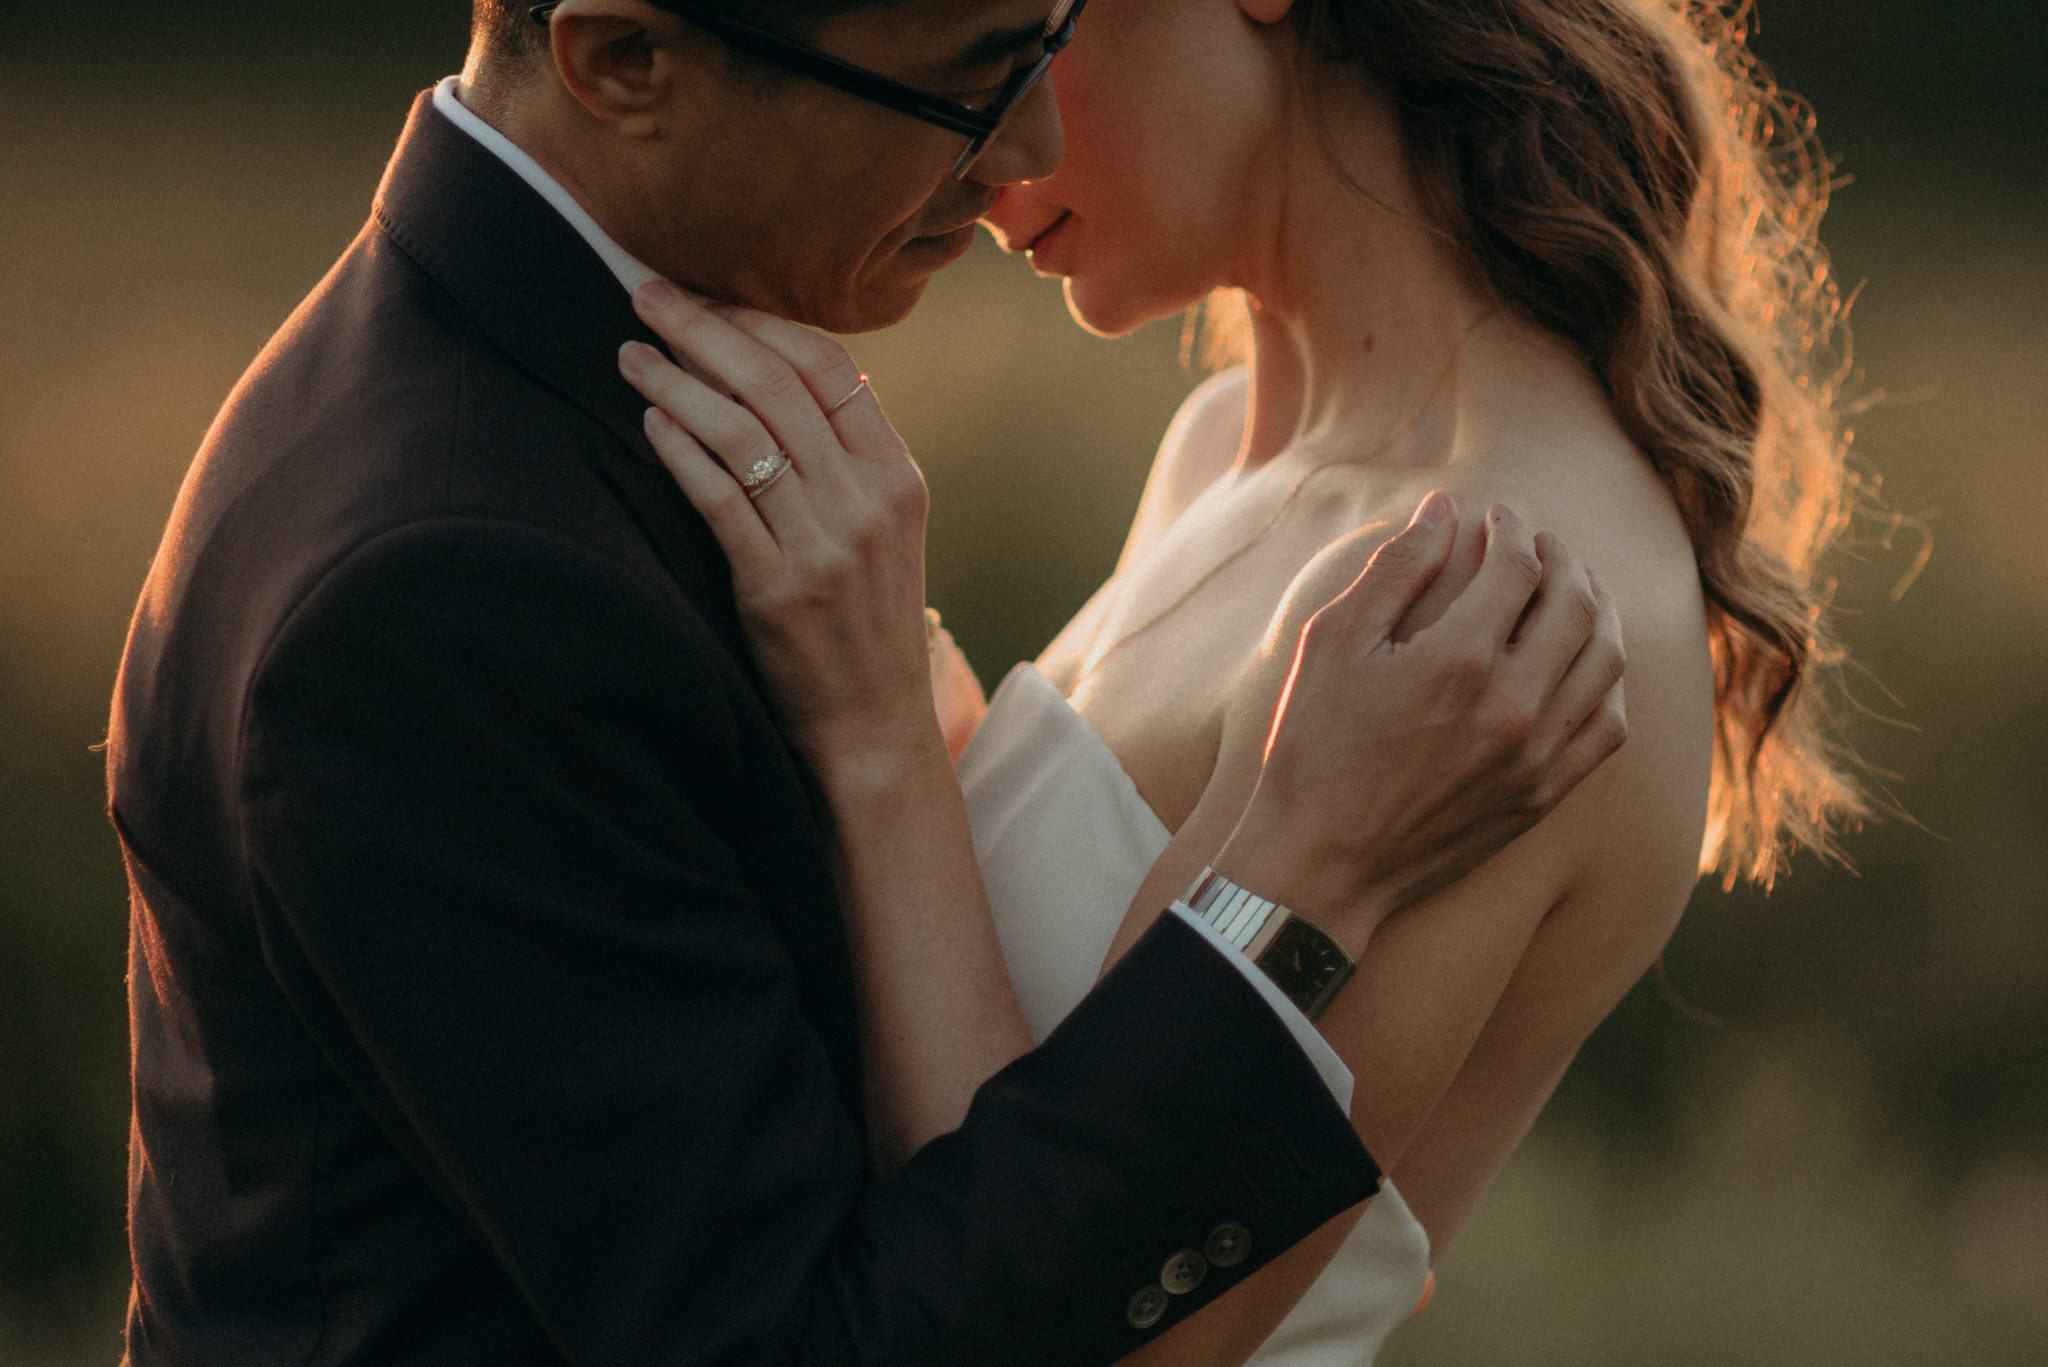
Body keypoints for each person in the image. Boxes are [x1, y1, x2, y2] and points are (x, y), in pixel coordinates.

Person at [102, 1, 1630, 1364]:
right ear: (626, 57)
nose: (1026, 145)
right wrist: (1299, 883)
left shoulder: (569, 390)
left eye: (1045, 42)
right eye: (974, 74)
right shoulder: (446, 590)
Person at [620, 0, 1863, 1361]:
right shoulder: (1226, 446)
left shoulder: (1500, 611)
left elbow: (1084, 1316)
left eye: (1036, 32)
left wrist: (878, 743)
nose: (981, 146)